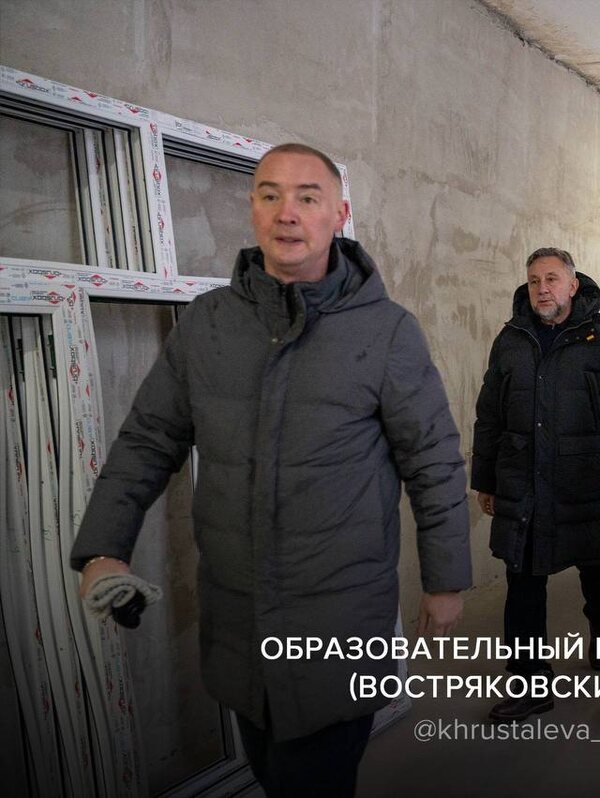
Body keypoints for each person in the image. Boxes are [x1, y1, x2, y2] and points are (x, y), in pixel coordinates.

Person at [71, 143, 472, 798]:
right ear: (252, 210)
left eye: (308, 197)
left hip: (338, 621)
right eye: (270, 194)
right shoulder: (208, 325)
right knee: (271, 771)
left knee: (312, 781)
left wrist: (446, 580)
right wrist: (102, 549)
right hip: (238, 619)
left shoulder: (387, 332)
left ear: (338, 214)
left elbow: (432, 461)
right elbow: (147, 439)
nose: (288, 212)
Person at [472, 246, 600, 722]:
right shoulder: (511, 339)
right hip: (524, 481)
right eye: (535, 280)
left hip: (588, 482)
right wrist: (486, 479)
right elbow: (489, 414)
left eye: (553, 279)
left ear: (573, 285)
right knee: (522, 581)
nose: (543, 288)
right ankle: (529, 683)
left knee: (597, 570)